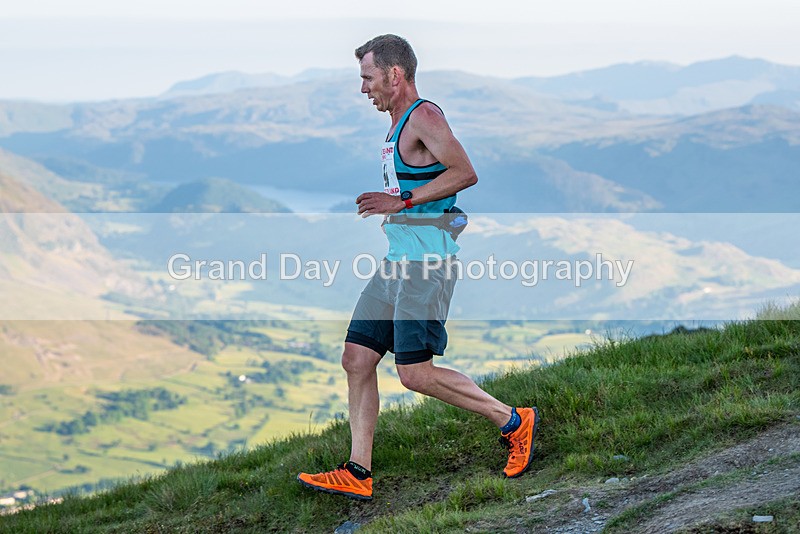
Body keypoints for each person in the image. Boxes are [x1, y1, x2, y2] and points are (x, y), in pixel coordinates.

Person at [297, 34, 539, 501]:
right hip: (397, 262)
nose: (363, 88)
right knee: (356, 358)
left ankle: (514, 421)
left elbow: (465, 172)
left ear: (395, 74)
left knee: (415, 374)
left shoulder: (423, 116)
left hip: (426, 266)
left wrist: (401, 201)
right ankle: (358, 471)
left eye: (368, 78)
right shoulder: (396, 124)